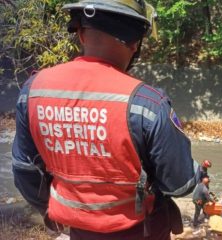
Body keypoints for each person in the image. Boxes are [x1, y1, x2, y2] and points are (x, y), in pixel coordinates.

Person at [11, 1, 200, 239]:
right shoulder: (148, 104)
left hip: (78, 231)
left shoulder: (33, 90)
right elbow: (179, 184)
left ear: (80, 34)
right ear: (134, 43)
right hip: (141, 231)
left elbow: (24, 169)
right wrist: (196, 171)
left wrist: (51, 211)